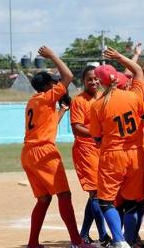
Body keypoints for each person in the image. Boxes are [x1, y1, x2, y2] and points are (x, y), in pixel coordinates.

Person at [21, 46, 94, 248]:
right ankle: (77, 241)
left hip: (28, 153)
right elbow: (68, 75)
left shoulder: (34, 102)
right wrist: (52, 56)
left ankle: (33, 243)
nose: (57, 84)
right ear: (46, 86)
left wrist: (62, 110)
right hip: (44, 152)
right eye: (53, 82)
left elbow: (48, 123)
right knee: (64, 194)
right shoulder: (47, 97)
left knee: (43, 199)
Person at [90, 47, 144, 248]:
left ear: (100, 82)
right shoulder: (133, 96)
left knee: (106, 201)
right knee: (132, 202)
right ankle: (129, 240)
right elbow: (139, 72)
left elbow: (97, 138)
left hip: (112, 155)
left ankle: (120, 241)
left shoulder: (97, 105)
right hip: (136, 154)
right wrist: (121, 57)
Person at [69, 65, 111, 246]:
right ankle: (103, 236)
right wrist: (97, 133)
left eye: (96, 78)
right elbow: (76, 127)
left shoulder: (103, 96)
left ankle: (83, 235)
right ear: (83, 82)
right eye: (89, 79)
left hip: (101, 149)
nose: (93, 82)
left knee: (95, 194)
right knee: (96, 193)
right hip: (86, 150)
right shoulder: (79, 101)